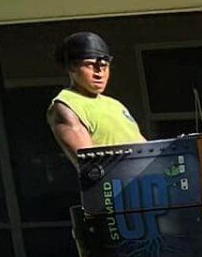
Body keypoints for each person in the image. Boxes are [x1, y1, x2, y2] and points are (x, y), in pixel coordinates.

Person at [47, 32, 143, 162]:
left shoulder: (115, 104)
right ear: (72, 67)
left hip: (147, 179)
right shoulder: (66, 105)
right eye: (90, 65)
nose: (99, 73)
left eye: (104, 66)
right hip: (116, 181)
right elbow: (91, 165)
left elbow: (144, 147)